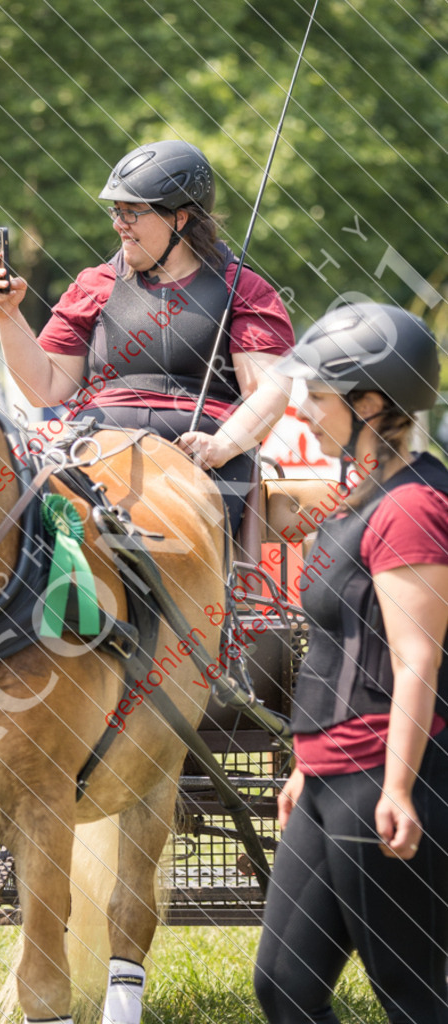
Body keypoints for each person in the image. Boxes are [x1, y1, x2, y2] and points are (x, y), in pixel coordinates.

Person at [254, 302, 448, 1023]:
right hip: (329, 778)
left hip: (388, 779)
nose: (300, 408)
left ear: (370, 402)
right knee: (285, 986)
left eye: (318, 394)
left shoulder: (409, 509)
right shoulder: (355, 499)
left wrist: (396, 788)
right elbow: (340, 645)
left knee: (410, 995)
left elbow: (415, 657)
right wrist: (306, 762)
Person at [0, 140, 294, 532]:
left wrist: (222, 445)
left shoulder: (246, 290)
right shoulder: (93, 285)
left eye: (132, 213)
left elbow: (269, 391)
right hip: (95, 451)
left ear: (179, 219)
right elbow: (43, 388)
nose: (118, 224)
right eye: (116, 211)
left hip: (204, 462)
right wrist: (7, 315)